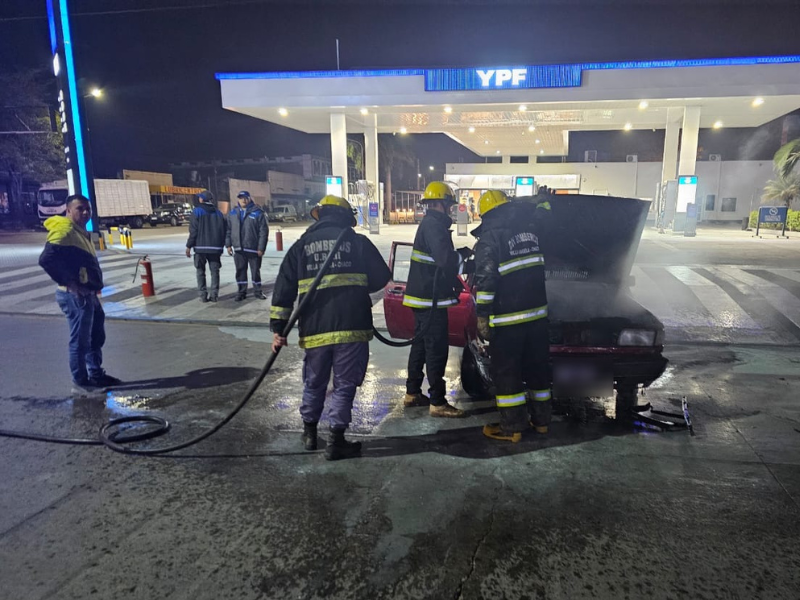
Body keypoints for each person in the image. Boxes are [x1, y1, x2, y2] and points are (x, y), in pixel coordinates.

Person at [270, 195, 390, 461]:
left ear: (320, 216)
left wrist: (279, 329)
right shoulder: (358, 242)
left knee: (314, 381)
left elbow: (283, 289)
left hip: (314, 327)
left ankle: (309, 434)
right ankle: (336, 442)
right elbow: (382, 276)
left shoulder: (301, 246)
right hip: (352, 324)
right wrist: (357, 287)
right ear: (347, 218)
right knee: (345, 384)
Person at [472, 190, 552, 442]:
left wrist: (482, 316)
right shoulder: (531, 230)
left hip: (508, 321)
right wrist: (539, 201)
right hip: (538, 318)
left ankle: (513, 428)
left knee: (507, 373)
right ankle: (541, 422)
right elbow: (545, 215)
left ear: (486, 215)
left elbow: (485, 279)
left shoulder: (490, 238)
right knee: (538, 371)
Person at [38, 195, 121, 393]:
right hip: (76, 296)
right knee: (80, 341)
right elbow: (46, 259)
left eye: (87, 209)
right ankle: (81, 379)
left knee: (95, 336)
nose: (85, 213)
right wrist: (72, 284)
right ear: (68, 210)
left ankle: (96, 374)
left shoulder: (79, 231)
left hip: (88, 295)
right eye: (80, 209)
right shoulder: (65, 229)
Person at [402, 181, 471, 418]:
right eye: (449, 205)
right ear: (440, 204)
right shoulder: (434, 226)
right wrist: (462, 256)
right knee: (436, 349)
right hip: (430, 301)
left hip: (422, 298)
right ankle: (438, 402)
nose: (451, 209)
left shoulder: (430, 224)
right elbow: (444, 260)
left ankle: (412, 393)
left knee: (420, 346)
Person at [226, 190, 269, 301]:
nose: (243, 200)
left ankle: (258, 291)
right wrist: (228, 245)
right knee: (240, 272)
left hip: (253, 248)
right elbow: (228, 230)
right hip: (238, 248)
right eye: (241, 198)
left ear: (249, 198)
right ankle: (241, 292)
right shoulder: (232, 213)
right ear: (238, 199)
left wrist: (261, 248)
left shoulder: (258, 212)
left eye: (245, 198)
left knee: (255, 272)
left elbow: (263, 232)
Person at [185, 190, 227, 303]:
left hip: (200, 248)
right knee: (215, 272)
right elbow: (224, 231)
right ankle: (214, 295)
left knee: (200, 272)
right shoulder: (218, 213)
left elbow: (193, 231)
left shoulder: (197, 211)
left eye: (200, 197)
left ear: (202, 199)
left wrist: (189, 246)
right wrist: (222, 245)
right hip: (215, 249)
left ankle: (203, 296)